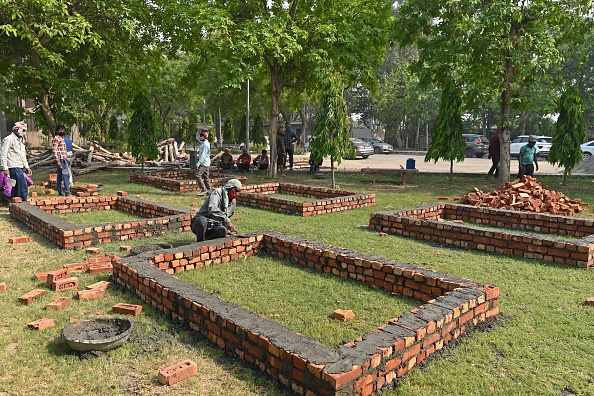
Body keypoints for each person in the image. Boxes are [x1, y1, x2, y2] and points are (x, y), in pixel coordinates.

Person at [0, 122, 32, 201]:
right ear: (16, 130)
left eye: (25, 130)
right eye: (22, 130)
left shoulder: (20, 141)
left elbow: (23, 155)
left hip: (20, 166)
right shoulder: (9, 139)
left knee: (15, 187)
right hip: (13, 166)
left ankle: (15, 205)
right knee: (22, 186)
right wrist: (5, 168)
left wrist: (27, 167)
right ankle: (24, 204)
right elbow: (3, 154)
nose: (23, 132)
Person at [52, 125, 71, 196]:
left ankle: (60, 193)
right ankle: (68, 192)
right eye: (60, 130)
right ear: (57, 131)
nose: (62, 132)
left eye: (63, 130)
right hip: (61, 160)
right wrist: (58, 161)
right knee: (66, 175)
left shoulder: (62, 138)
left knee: (60, 176)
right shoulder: (56, 138)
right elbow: (55, 150)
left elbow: (63, 150)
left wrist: (66, 158)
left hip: (64, 159)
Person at [196, 129, 212, 196]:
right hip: (206, 163)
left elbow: (203, 155)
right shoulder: (203, 142)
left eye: (201, 136)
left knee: (198, 175)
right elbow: (197, 137)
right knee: (206, 177)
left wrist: (198, 163)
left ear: (205, 137)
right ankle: (209, 191)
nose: (200, 137)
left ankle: (204, 190)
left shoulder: (205, 144)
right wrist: (199, 130)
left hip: (204, 163)